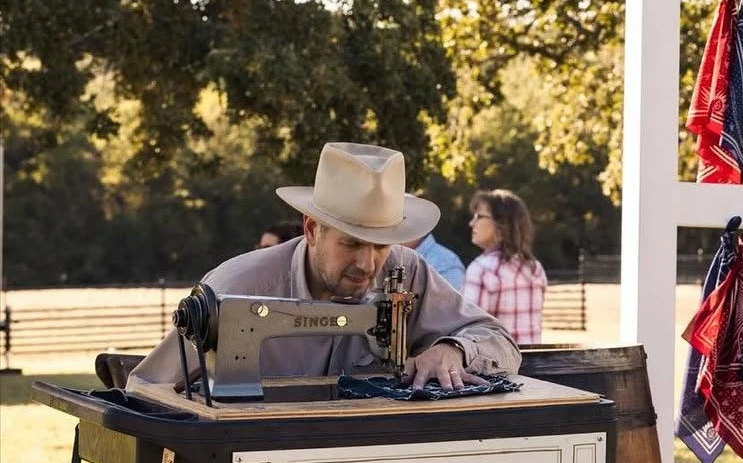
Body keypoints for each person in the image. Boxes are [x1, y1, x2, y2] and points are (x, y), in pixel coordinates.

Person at [128, 142, 521, 394]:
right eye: (350, 243)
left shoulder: (406, 270)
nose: (368, 264)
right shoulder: (235, 287)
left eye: (381, 245)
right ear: (312, 229)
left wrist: (453, 349)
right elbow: (146, 390)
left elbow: (500, 343)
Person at [462, 189, 547, 348]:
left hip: (496, 369)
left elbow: (468, 334)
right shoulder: (535, 269)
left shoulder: (481, 270)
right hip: (535, 366)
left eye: (479, 216)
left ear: (502, 225)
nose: (472, 223)